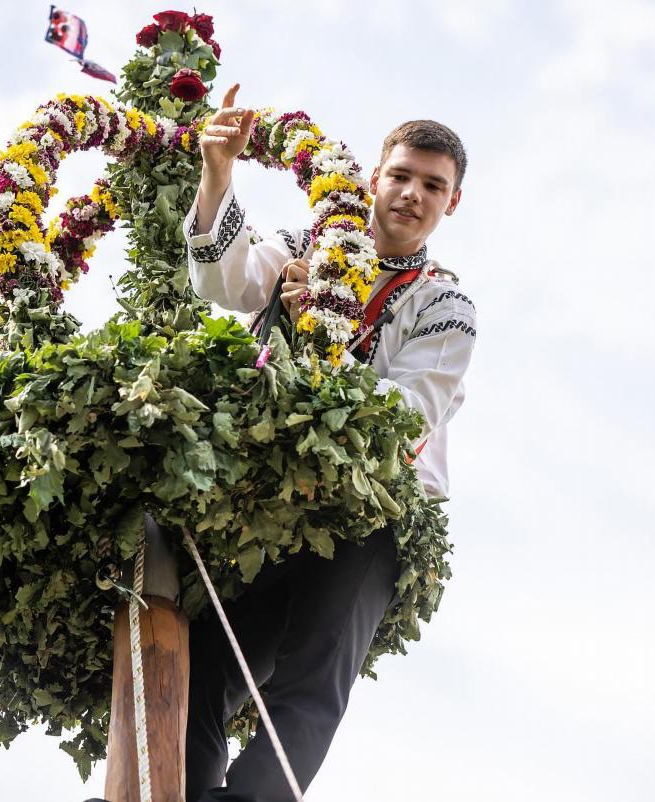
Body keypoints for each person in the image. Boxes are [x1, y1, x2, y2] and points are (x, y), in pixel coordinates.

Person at [182, 83, 477, 802]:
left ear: (451, 203)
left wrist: (324, 329)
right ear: (373, 178)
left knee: (314, 679)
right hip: (264, 499)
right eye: (401, 176)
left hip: (372, 512)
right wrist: (218, 175)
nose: (411, 194)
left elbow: (407, 413)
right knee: (204, 661)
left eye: (432, 186)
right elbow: (224, 282)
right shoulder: (303, 246)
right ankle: (176, 792)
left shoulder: (446, 305)